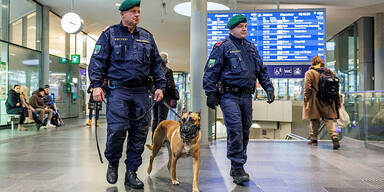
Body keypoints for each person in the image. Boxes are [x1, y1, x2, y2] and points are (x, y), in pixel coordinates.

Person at [88, 0, 166, 189]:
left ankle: (131, 172)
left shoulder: (147, 36)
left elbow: (156, 64)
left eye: (139, 11)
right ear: (122, 14)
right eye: (133, 11)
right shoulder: (110, 35)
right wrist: (97, 85)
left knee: (139, 133)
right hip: (118, 91)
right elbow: (97, 60)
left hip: (141, 92)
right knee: (117, 129)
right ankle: (113, 163)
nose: (137, 15)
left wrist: (160, 86)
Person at [203, 14, 275, 185]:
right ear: (231, 29)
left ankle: (239, 162)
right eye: (240, 26)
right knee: (235, 128)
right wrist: (210, 93)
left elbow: (261, 71)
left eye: (245, 26)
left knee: (244, 129)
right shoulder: (222, 47)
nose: (244, 29)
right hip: (228, 96)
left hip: (246, 96)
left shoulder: (251, 47)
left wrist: (269, 88)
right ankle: (237, 167)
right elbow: (211, 72)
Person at [303, 56, 340, 149]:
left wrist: (306, 99)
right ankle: (334, 137)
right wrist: (337, 100)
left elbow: (307, 88)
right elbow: (336, 87)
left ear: (312, 62)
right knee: (329, 119)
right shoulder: (329, 72)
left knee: (314, 119)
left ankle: (314, 139)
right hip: (328, 100)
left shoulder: (310, 73)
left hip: (315, 100)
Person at [151, 52, 176, 139]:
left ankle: (154, 138)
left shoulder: (153, 72)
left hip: (154, 97)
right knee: (162, 119)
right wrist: (175, 95)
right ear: (166, 61)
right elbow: (170, 86)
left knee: (155, 119)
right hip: (164, 98)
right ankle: (161, 139)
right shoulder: (168, 71)